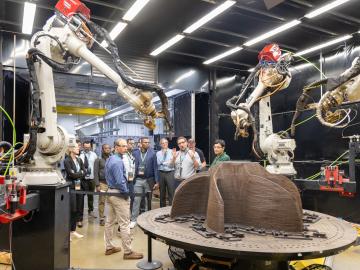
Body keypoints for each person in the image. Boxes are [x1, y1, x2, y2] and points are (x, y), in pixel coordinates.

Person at [104, 138, 143, 259]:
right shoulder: (117, 162)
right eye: (123, 146)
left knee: (109, 222)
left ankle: (109, 247)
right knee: (125, 223)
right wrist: (126, 193)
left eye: (126, 146)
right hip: (118, 194)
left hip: (110, 192)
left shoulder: (111, 158)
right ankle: (128, 252)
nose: (126, 148)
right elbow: (120, 181)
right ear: (116, 147)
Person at [131, 137, 158, 228]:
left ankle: (146, 220)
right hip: (138, 179)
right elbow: (131, 166)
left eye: (148, 142)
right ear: (141, 143)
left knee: (147, 201)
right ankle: (133, 220)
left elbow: (155, 167)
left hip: (148, 180)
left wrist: (156, 181)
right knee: (136, 200)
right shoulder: (135, 153)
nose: (147, 144)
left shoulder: (153, 153)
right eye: (145, 142)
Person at [64, 144, 85, 240]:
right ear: (71, 149)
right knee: (71, 209)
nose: (78, 149)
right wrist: (79, 173)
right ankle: (67, 232)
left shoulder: (79, 160)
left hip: (79, 187)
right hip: (71, 187)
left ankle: (73, 230)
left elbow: (84, 171)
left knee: (77, 209)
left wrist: (79, 173)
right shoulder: (67, 160)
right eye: (76, 147)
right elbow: (71, 174)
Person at [94, 144, 111, 226]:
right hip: (102, 183)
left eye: (108, 148)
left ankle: (112, 218)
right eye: (105, 148)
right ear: (102, 149)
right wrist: (97, 184)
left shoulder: (112, 158)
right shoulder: (98, 160)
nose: (107, 150)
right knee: (102, 201)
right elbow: (95, 173)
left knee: (112, 201)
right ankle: (101, 218)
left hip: (111, 184)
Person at [80, 141, 98, 219]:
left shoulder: (94, 155)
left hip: (91, 178)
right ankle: (80, 214)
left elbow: (96, 166)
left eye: (88, 147)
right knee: (81, 197)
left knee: (91, 196)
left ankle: (90, 211)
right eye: (85, 147)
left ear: (90, 147)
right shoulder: (80, 155)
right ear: (83, 147)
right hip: (83, 179)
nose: (87, 148)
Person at [156, 138, 175, 207]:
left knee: (171, 192)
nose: (164, 144)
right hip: (161, 173)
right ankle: (162, 210)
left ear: (168, 143)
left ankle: (171, 209)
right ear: (160, 144)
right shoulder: (158, 153)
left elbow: (172, 163)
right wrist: (167, 162)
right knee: (162, 193)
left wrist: (164, 163)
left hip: (170, 173)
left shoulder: (172, 151)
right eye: (163, 143)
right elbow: (158, 162)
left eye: (166, 142)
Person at [123, 138, 136, 212]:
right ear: (126, 144)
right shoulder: (122, 155)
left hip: (131, 180)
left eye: (133, 144)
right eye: (130, 143)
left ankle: (129, 215)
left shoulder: (131, 155)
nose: (132, 145)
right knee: (124, 199)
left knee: (132, 198)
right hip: (124, 181)